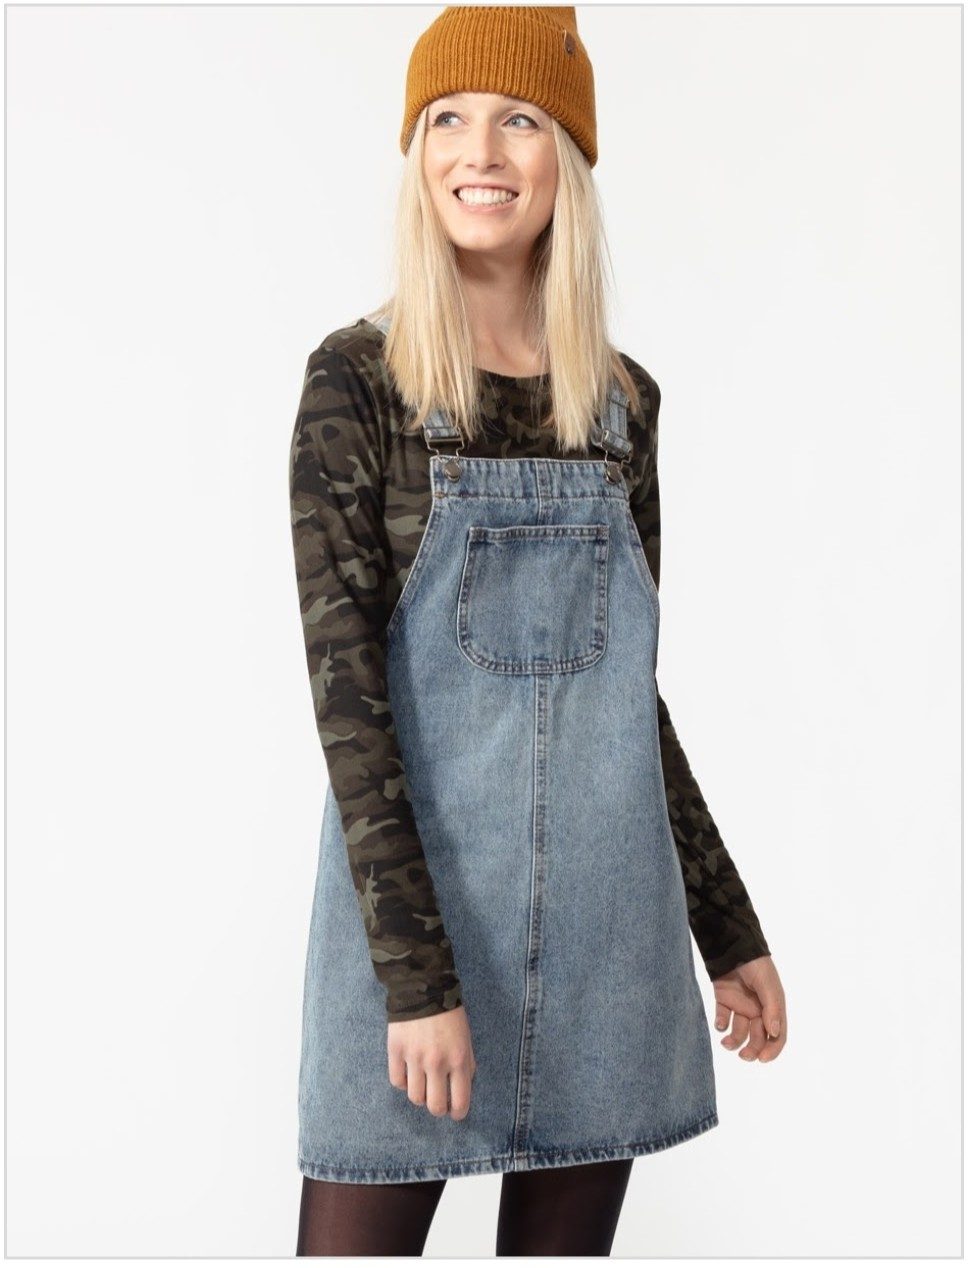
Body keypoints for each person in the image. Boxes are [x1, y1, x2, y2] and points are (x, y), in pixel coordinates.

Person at [288, 5, 787, 1256]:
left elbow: (627, 698)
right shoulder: (359, 384)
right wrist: (418, 978)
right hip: (413, 932)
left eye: (518, 119)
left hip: (604, 939)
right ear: (416, 152)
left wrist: (723, 923)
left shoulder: (619, 405)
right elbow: (348, 708)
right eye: (447, 119)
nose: (480, 152)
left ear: (565, 154)